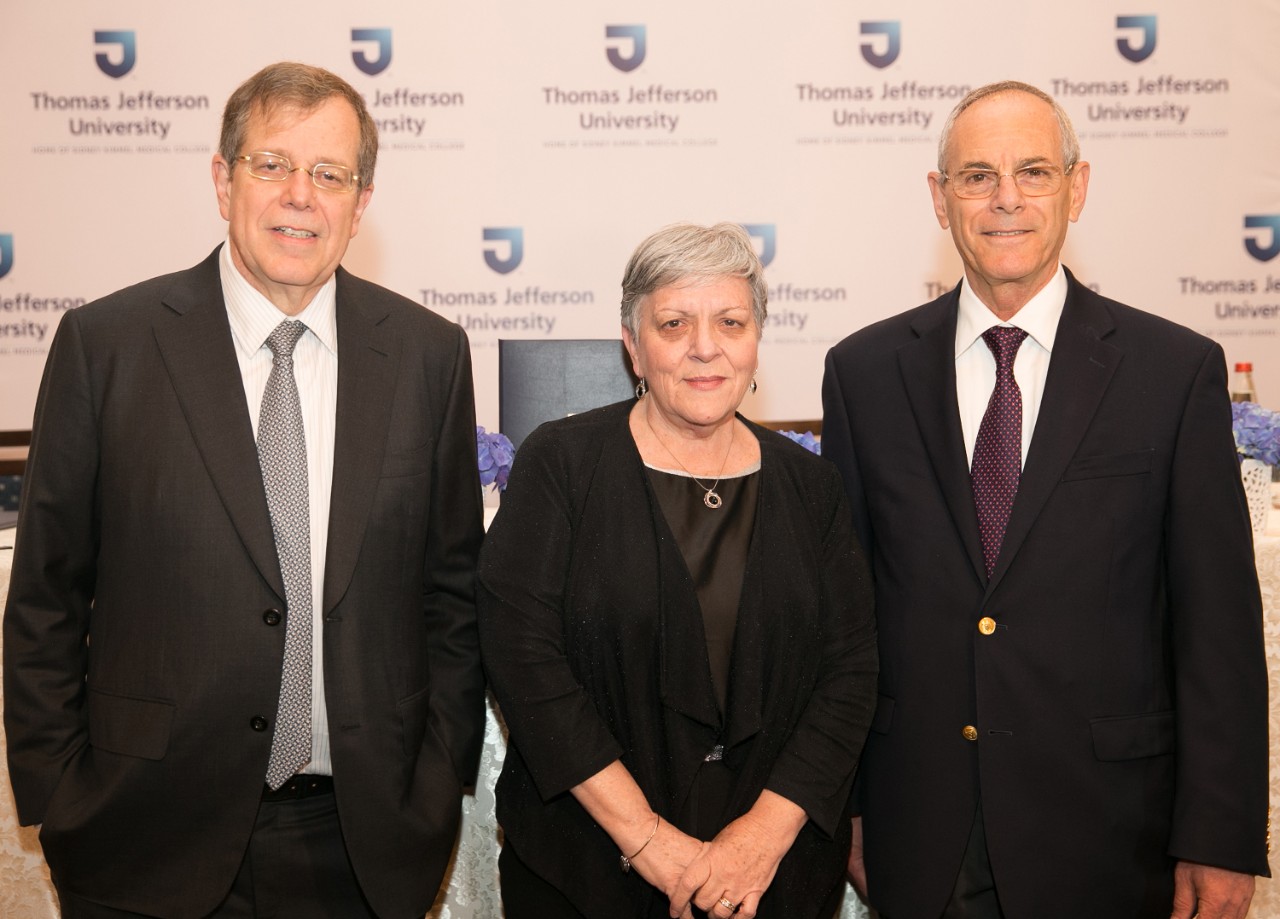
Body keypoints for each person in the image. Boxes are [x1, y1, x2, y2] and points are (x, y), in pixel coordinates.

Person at [3, 62, 485, 918]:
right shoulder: (105, 346)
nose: (301, 195)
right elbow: (45, 597)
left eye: (329, 174)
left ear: (360, 201)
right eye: (273, 165)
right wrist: (63, 798)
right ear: (223, 179)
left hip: (361, 844)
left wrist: (434, 780)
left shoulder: (428, 356)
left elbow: (450, 598)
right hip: (139, 840)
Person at [821, 80, 1270, 919]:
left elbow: (1218, 630)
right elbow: (848, 621)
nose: (1006, 201)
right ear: (939, 196)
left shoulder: (1173, 374)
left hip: (1111, 837)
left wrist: (1218, 834)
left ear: (1078, 186)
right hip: (920, 834)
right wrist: (843, 806)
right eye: (976, 176)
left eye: (1033, 172)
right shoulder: (862, 375)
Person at [477, 222, 878, 919]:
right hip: (588, 873)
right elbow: (524, 662)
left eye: (731, 321)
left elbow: (850, 675)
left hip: (772, 882)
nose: (705, 346)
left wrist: (761, 837)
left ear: (757, 338)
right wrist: (652, 842)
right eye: (674, 322)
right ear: (633, 344)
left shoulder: (812, 488)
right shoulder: (561, 464)